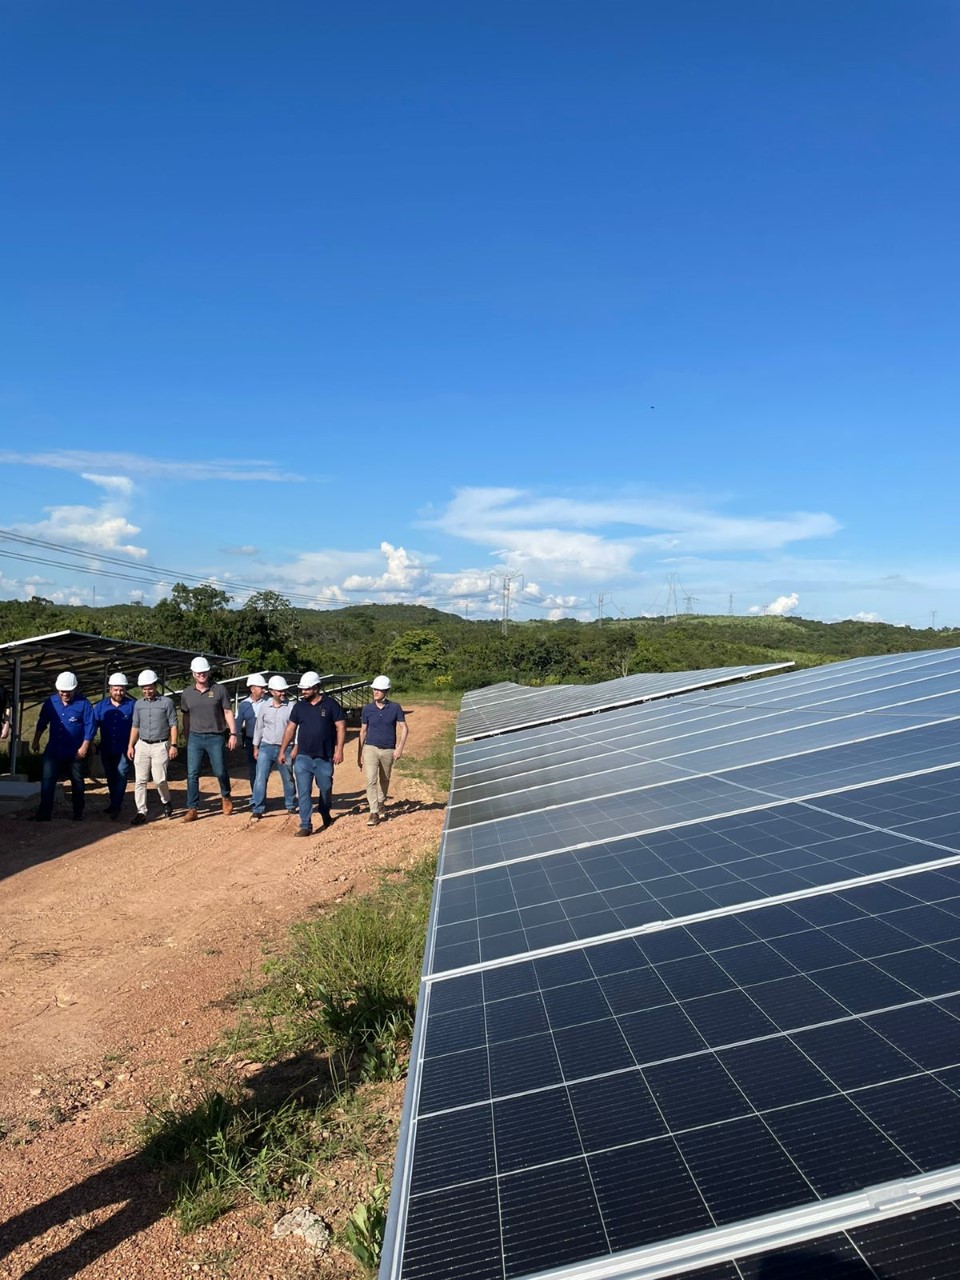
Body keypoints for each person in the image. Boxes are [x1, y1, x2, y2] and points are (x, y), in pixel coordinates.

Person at [279, 671, 344, 837]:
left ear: (316, 688)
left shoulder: (330, 705)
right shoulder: (299, 707)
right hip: (303, 757)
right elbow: (290, 729)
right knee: (303, 791)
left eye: (306, 689)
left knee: (325, 787)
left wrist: (339, 750)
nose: (303, 692)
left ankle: (324, 810)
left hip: (324, 757)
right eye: (302, 689)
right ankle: (305, 825)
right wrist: (282, 750)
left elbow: (341, 727)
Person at [31, 672, 96, 821]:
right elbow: (42, 721)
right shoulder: (51, 702)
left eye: (68, 691)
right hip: (54, 749)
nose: (65, 694)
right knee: (48, 779)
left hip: (75, 751)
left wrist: (85, 746)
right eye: (62, 691)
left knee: (77, 781)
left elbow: (90, 725)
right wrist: (36, 740)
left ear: (75, 689)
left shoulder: (84, 704)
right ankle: (44, 813)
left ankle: (78, 812)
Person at [180, 656, 237, 822]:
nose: (201, 675)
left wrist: (233, 733)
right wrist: (187, 733)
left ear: (208, 672)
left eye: (204, 672)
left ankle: (226, 796)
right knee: (192, 774)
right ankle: (192, 808)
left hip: (216, 736)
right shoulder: (187, 693)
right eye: (198, 672)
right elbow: (186, 715)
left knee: (219, 770)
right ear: (193, 674)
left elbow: (227, 711)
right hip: (195, 738)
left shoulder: (219, 690)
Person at [126, 669, 178, 825]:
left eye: (149, 688)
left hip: (160, 744)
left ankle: (166, 800)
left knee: (159, 779)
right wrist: (131, 745)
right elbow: (135, 725)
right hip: (142, 744)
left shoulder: (166, 703)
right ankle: (141, 811)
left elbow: (173, 725)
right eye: (144, 688)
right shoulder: (138, 704)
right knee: (140, 780)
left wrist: (173, 745)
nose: (146, 691)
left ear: (155, 686)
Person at [357, 675, 408, 826]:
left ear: (386, 691)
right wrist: (360, 754)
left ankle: (381, 802)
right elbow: (363, 731)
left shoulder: (395, 708)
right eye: (374, 689)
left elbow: (404, 728)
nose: (375, 692)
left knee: (384, 778)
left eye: (379, 689)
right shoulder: (367, 709)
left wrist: (399, 748)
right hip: (371, 748)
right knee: (370, 780)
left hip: (388, 749)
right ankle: (373, 812)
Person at [250, 676, 297, 819]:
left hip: (286, 747)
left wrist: (296, 746)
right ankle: (258, 808)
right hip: (266, 746)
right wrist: (255, 747)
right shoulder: (264, 707)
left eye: (284, 691)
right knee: (260, 777)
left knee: (288, 777)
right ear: (271, 691)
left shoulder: (292, 706)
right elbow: (259, 727)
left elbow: (297, 728)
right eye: (279, 691)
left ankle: (290, 805)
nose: (283, 693)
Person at [93, 672, 135, 819]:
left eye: (122, 689)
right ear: (110, 689)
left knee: (122, 773)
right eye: (116, 689)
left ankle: (117, 805)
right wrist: (90, 742)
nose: (119, 692)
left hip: (124, 748)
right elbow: (93, 725)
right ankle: (113, 803)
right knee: (111, 776)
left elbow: (137, 727)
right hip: (107, 747)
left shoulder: (132, 705)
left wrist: (132, 745)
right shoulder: (100, 706)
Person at [237, 673, 269, 793]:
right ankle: (256, 795)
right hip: (250, 741)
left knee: (263, 770)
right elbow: (239, 722)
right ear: (252, 689)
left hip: (265, 741)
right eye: (261, 688)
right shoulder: (244, 705)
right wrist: (237, 737)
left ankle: (261, 795)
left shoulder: (269, 702)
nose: (264, 690)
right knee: (253, 769)